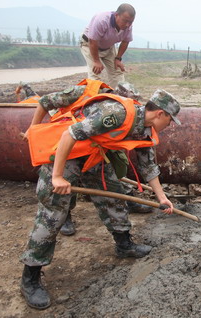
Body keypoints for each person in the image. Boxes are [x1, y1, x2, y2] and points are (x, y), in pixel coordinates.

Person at [20, 88, 180, 310]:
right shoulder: (117, 114)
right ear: (161, 113)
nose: (170, 126)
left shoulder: (145, 129)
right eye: (171, 121)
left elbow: (148, 166)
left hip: (94, 154)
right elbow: (69, 134)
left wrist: (162, 197)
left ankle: (124, 245)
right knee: (52, 215)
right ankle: (30, 277)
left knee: (114, 196)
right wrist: (56, 177)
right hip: (66, 155)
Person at [22, 80, 154, 236]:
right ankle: (65, 218)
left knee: (114, 177)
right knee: (62, 188)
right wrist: (33, 129)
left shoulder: (124, 113)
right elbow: (44, 102)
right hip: (66, 145)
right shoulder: (84, 93)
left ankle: (124, 229)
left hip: (95, 148)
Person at [80, 3, 136, 88]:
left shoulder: (128, 26)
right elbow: (93, 41)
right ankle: (94, 98)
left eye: (130, 22)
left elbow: (125, 41)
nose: (127, 24)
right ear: (117, 15)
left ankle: (118, 97)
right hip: (90, 45)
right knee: (95, 72)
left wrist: (118, 58)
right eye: (125, 21)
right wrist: (96, 61)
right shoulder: (102, 20)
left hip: (108, 46)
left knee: (117, 71)